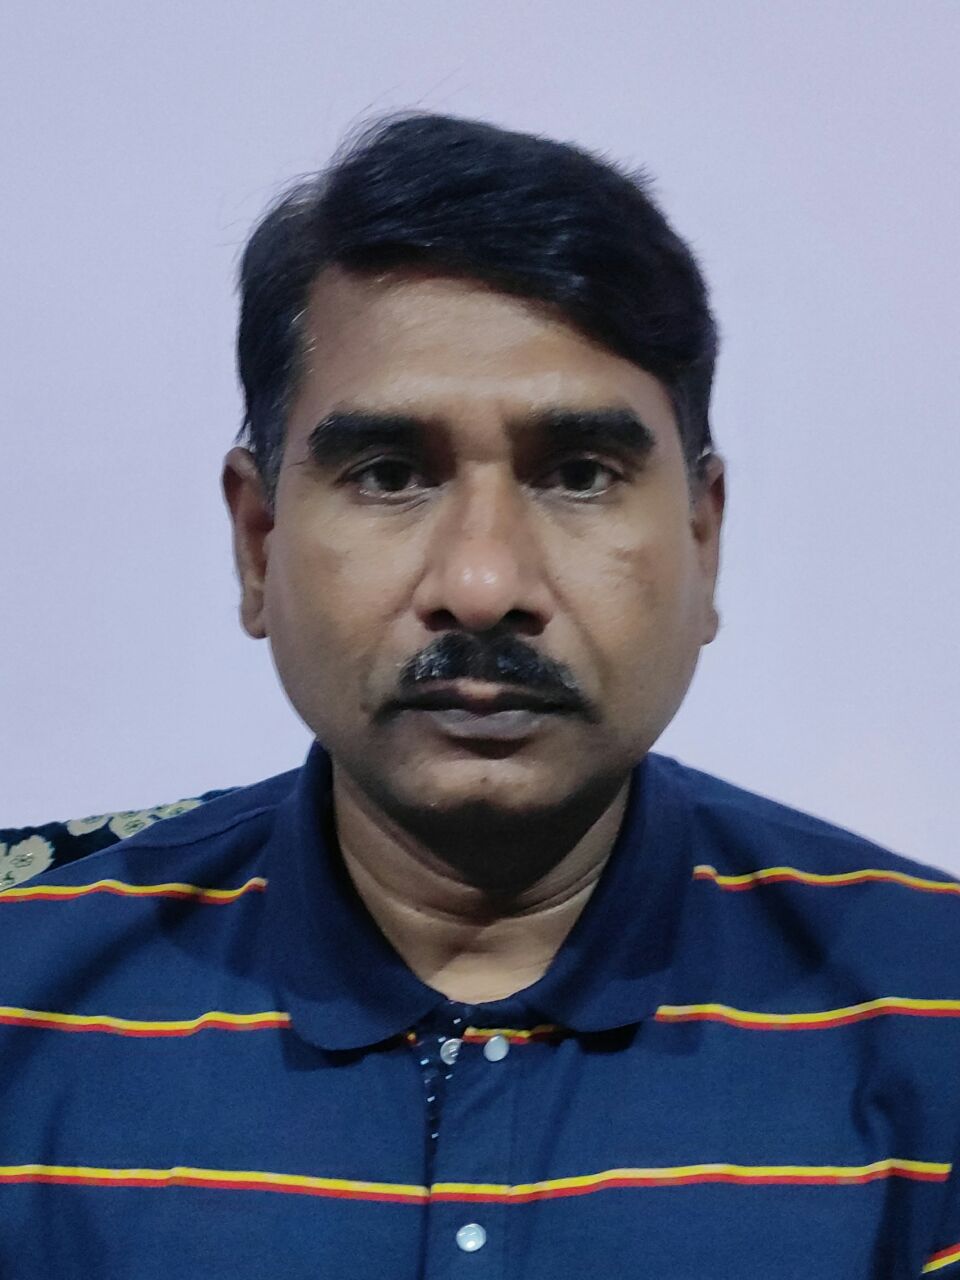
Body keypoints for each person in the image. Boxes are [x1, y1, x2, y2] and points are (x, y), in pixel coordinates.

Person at [3, 113, 959, 1280]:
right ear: (258, 542)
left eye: (579, 474)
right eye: (391, 474)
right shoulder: (23, 1000)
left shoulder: (936, 1010)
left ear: (703, 541)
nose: (483, 583)